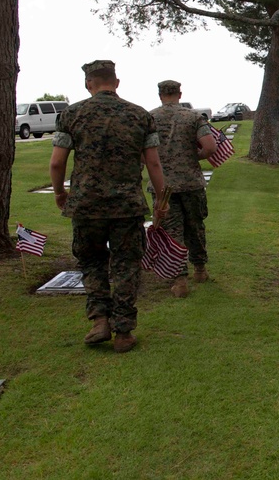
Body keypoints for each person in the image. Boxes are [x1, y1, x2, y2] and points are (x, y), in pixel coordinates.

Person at [49, 60, 167, 354]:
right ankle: (124, 332)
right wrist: (161, 201)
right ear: (116, 82)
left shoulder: (71, 114)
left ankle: (99, 319)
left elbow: (56, 162)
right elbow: (153, 162)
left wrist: (60, 193)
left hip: (86, 204)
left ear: (89, 83)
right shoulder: (140, 115)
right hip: (127, 205)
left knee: (92, 262)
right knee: (126, 265)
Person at [150, 80, 218, 298]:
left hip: (162, 184)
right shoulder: (194, 117)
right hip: (191, 183)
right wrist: (193, 157)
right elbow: (210, 147)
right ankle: (200, 270)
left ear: (160, 95)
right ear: (179, 94)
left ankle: (180, 281)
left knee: (172, 231)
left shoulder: (149, 118)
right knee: (195, 226)